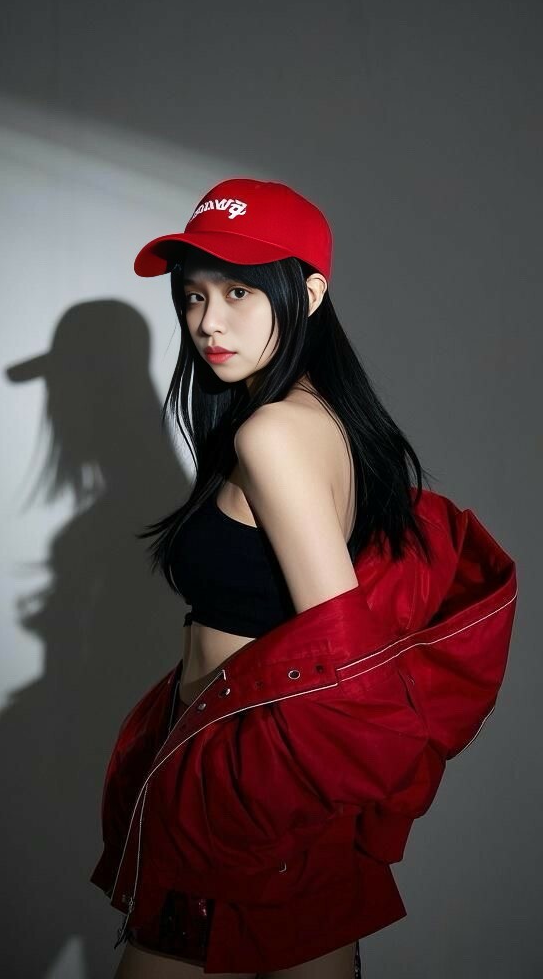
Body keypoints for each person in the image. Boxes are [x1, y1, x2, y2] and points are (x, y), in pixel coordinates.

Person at [90, 178, 517, 978]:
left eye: (239, 292)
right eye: (193, 295)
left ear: (310, 294)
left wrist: (249, 795)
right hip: (254, 772)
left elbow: (341, 650)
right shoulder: (321, 418)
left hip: (246, 780)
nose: (208, 322)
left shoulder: (273, 434)